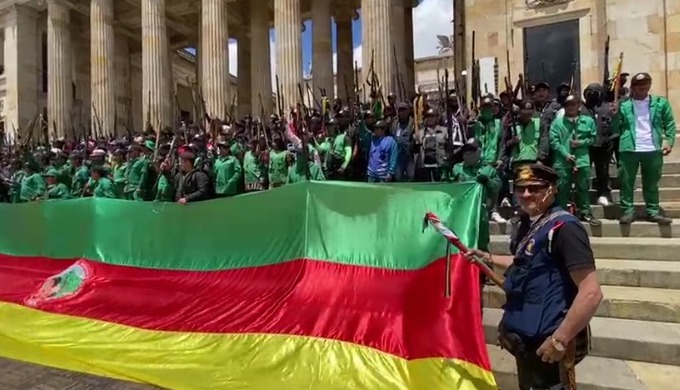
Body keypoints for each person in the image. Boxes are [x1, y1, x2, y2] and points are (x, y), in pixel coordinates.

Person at [466, 164, 603, 390]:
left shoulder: (565, 228)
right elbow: (526, 263)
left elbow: (591, 292)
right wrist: (488, 258)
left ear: (552, 190)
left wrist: (560, 339)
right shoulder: (532, 223)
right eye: (520, 189)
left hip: (550, 341)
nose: (526, 194)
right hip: (526, 340)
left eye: (535, 188)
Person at [611, 72, 675, 225]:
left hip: (652, 149)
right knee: (626, 182)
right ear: (633, 87)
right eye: (640, 85)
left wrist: (669, 141)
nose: (643, 87)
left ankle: (652, 211)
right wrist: (614, 116)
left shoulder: (660, 103)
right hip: (629, 149)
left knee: (652, 183)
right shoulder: (624, 105)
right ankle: (627, 211)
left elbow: (670, 123)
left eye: (646, 84)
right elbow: (615, 129)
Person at [549, 94, 600, 226]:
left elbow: (593, 138)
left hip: (582, 160)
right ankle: (562, 214)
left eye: (574, 104)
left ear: (579, 105)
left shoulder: (588, 121)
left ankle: (586, 212)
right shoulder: (557, 123)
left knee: (583, 188)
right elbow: (554, 142)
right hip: (562, 162)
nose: (571, 107)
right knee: (562, 190)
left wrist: (581, 143)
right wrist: (566, 154)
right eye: (567, 105)